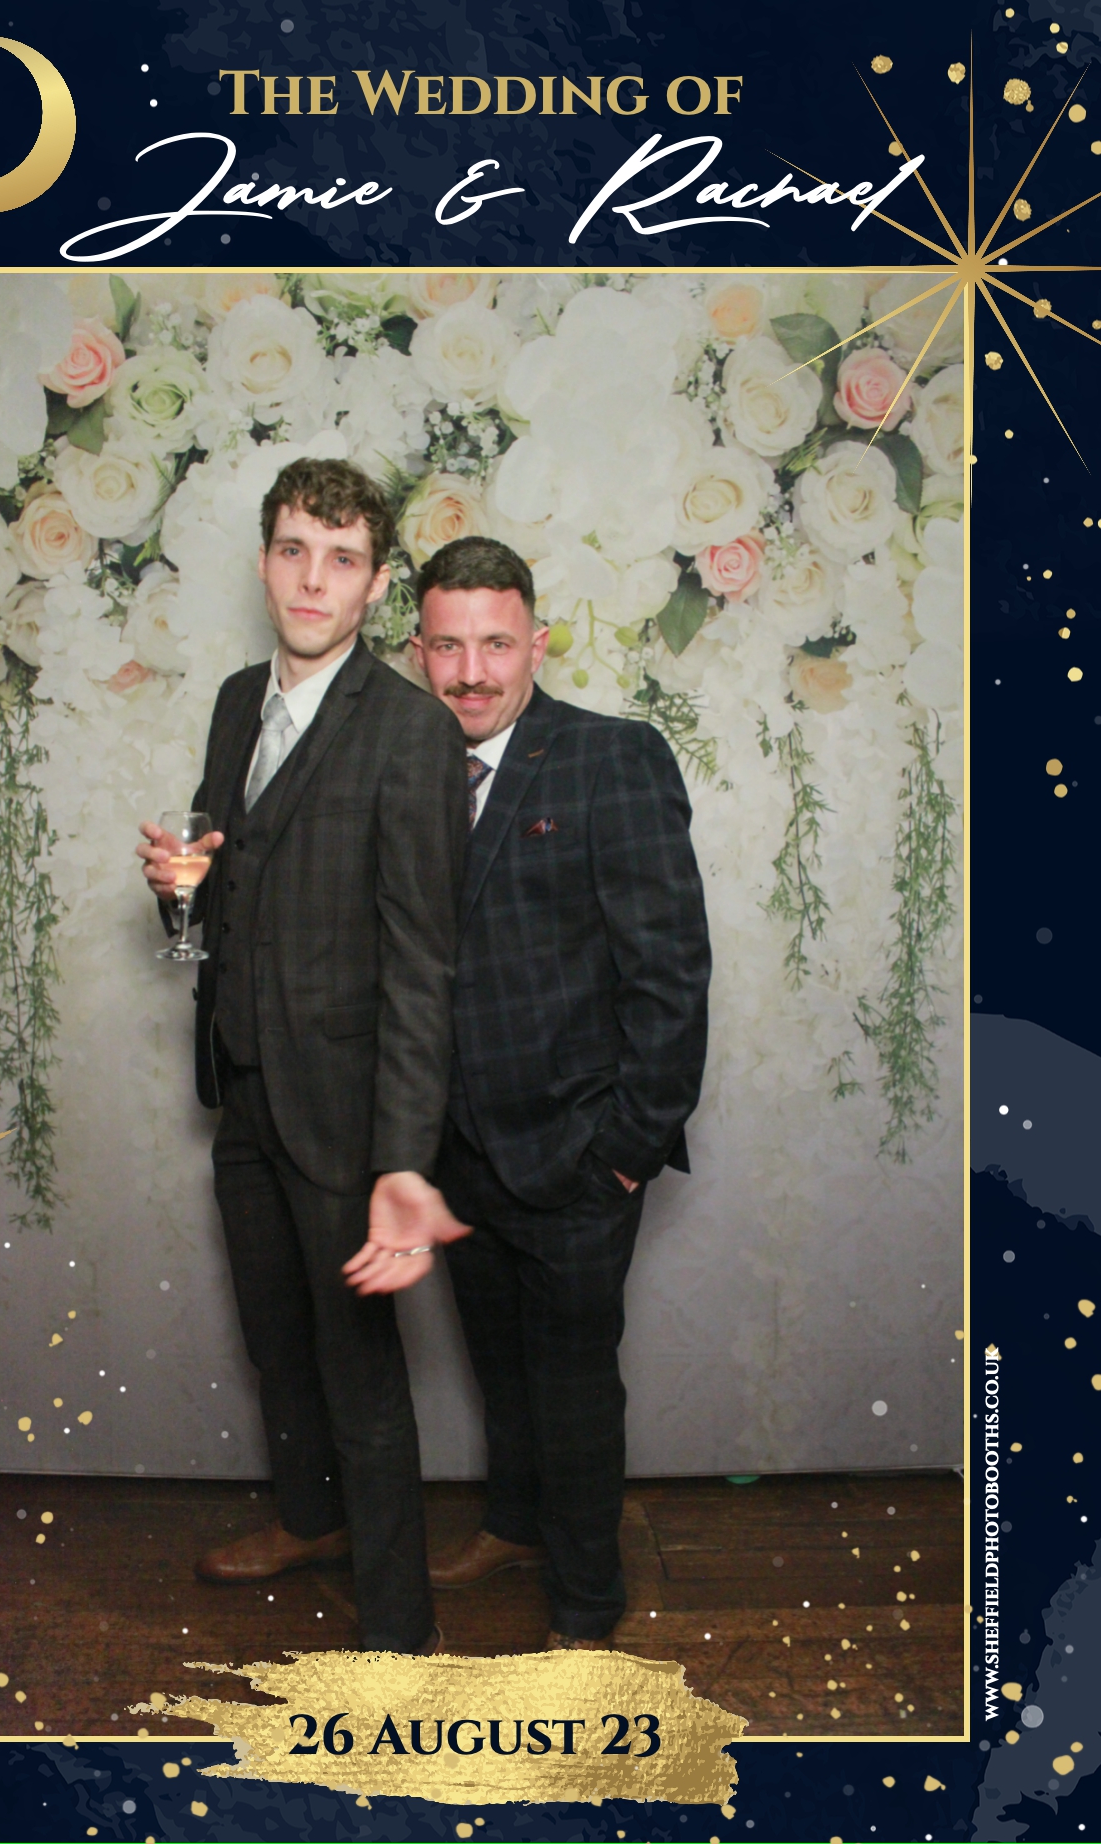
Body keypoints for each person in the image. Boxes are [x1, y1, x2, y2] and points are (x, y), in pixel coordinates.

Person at [136, 457, 469, 1655]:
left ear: (375, 585)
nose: (311, 580)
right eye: (292, 551)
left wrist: (401, 1158)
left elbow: (424, 963)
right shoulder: (238, 700)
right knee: (275, 1338)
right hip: (242, 1088)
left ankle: (400, 1637)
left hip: (345, 1117)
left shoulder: (411, 731)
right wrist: (176, 889)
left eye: (340, 559)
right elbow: (222, 887)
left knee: (359, 1374)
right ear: (264, 562)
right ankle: (311, 1519)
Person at [402, 534, 711, 1650]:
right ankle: (514, 1527)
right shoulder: (406, 770)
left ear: (537, 644)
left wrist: (626, 1148)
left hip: (578, 1151)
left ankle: (586, 1606)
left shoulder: (610, 757)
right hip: (453, 1151)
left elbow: (669, 970)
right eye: (448, 646)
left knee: (573, 1385)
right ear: (418, 652)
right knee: (500, 1366)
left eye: (495, 644)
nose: (471, 671)